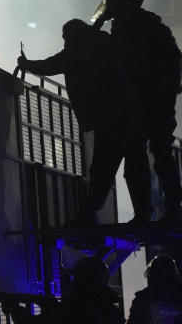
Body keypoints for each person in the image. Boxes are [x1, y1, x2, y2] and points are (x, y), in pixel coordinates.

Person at [17, 19, 143, 225]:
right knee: (135, 167)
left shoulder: (76, 51)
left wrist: (25, 64)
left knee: (101, 170)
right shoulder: (105, 43)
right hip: (130, 115)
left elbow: (48, 65)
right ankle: (142, 213)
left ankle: (87, 215)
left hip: (107, 119)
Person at [93, 0, 182, 220]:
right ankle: (163, 208)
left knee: (147, 153)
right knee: (152, 153)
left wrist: (166, 90)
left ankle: (161, 208)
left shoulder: (139, 28)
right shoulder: (143, 26)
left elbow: (172, 60)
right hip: (146, 101)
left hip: (150, 100)